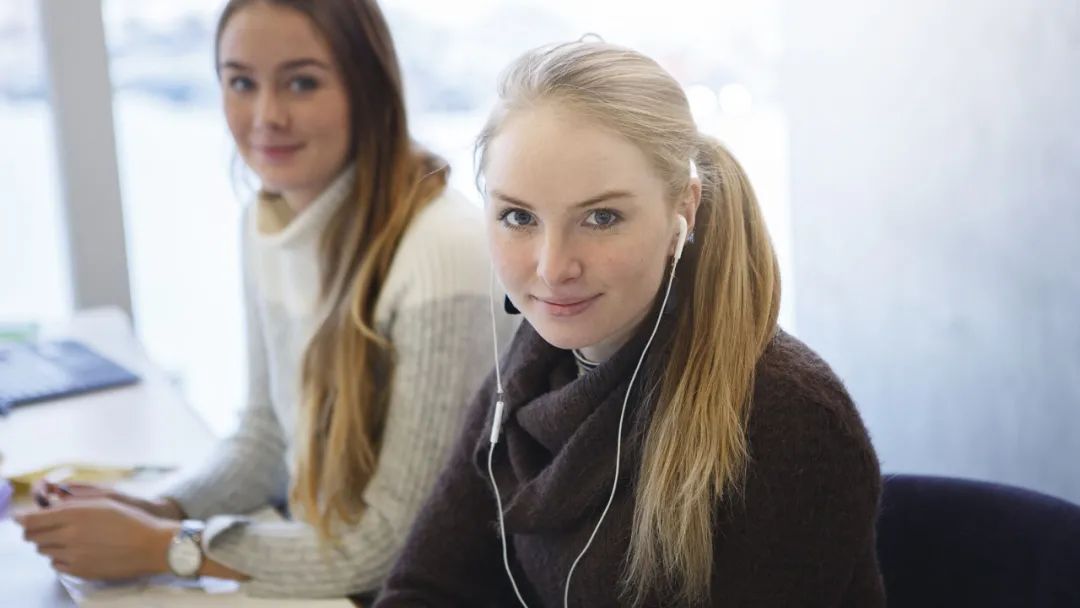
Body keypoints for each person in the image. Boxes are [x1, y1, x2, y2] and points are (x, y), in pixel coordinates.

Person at [16, 0, 511, 598]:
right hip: (321, 568)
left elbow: (389, 544)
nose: (266, 115)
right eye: (241, 83)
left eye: (302, 82)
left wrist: (163, 545)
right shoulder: (266, 219)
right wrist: (154, 508)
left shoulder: (442, 253)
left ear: (368, 85)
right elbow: (266, 438)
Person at [376, 40, 885, 607]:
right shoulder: (530, 372)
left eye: (601, 217)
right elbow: (424, 588)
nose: (552, 267)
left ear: (683, 212)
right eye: (518, 216)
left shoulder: (784, 421)